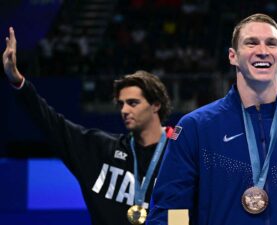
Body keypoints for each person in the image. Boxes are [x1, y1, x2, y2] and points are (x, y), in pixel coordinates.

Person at [147, 13, 277, 225]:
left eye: (271, 44)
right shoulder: (196, 127)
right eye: (251, 43)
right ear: (233, 56)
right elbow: (172, 210)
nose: (262, 51)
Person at [3, 27, 173, 225]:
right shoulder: (100, 149)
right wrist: (18, 82)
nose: (124, 110)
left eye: (133, 103)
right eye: (121, 104)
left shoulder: (179, 154)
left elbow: (190, 209)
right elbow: (52, 123)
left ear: (155, 105)